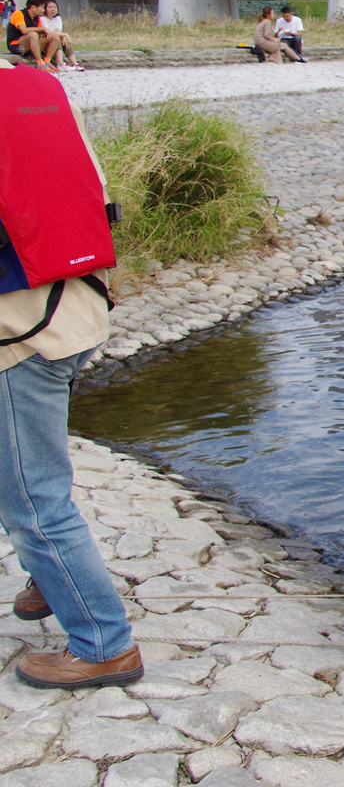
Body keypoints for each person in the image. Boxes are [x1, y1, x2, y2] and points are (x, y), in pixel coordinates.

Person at [2, 65, 141, 689]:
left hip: (17, 332)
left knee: (34, 500)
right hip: (78, 307)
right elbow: (96, 193)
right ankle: (49, 575)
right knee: (26, 471)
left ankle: (103, 643)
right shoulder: (37, 87)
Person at [7, 0, 60, 71]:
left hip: (32, 44)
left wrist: (53, 34)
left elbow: (40, 34)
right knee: (33, 34)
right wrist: (43, 29)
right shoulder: (18, 13)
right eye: (42, 7)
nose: (43, 10)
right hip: (16, 45)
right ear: (33, 7)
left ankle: (47, 61)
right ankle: (39, 62)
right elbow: (24, 30)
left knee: (54, 37)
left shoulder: (37, 19)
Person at [40, 0, 82, 71]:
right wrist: (65, 34)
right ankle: (60, 63)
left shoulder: (57, 18)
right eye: (50, 7)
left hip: (55, 38)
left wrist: (64, 37)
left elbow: (58, 31)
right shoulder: (41, 18)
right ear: (45, 8)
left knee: (64, 40)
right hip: (46, 40)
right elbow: (49, 32)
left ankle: (75, 63)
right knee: (57, 37)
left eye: (55, 7)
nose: (53, 9)